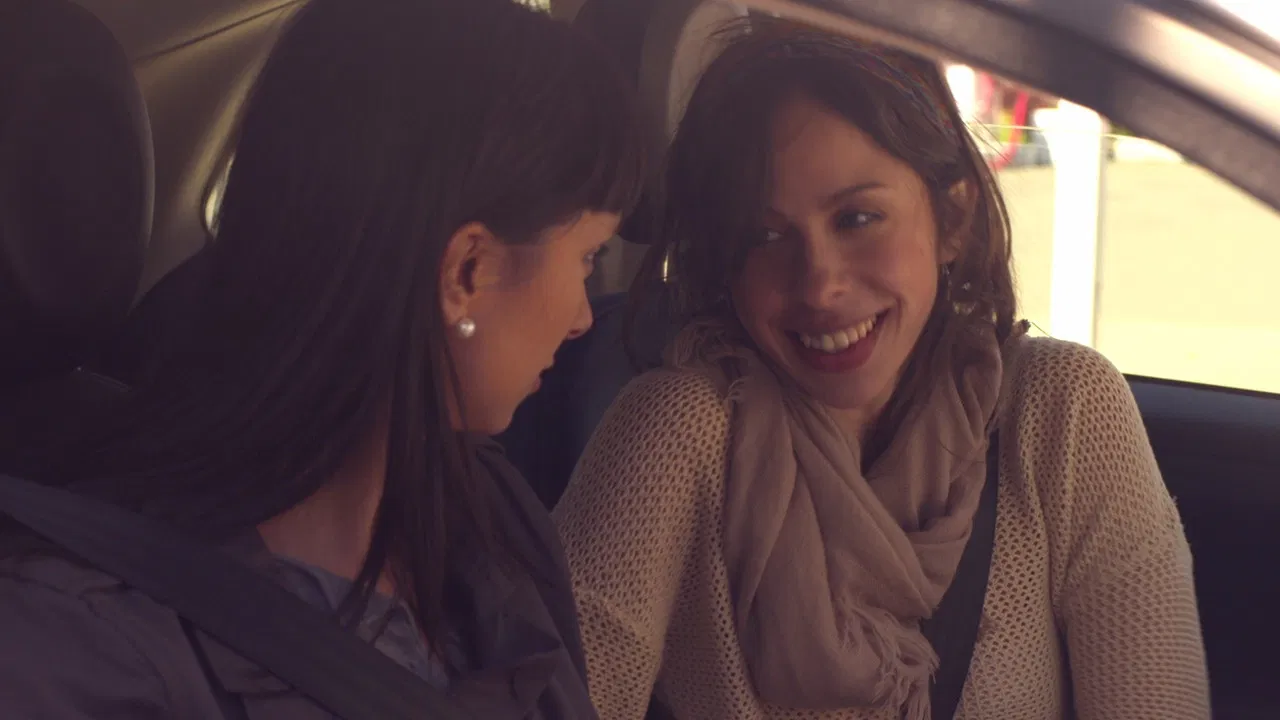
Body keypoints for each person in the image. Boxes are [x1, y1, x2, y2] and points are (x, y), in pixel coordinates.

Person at [0, 0, 643, 717]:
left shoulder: (494, 514)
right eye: (588, 257)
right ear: (468, 270)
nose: (585, 318)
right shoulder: (71, 656)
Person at [552, 18, 1209, 720]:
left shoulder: (1064, 411)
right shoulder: (676, 430)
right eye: (765, 236)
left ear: (952, 219)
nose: (819, 284)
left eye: (857, 219)